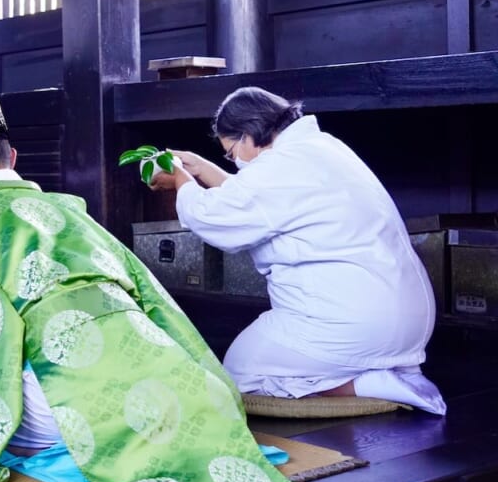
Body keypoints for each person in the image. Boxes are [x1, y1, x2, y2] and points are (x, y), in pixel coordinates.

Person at [0, 81, 350, 482]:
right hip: (168, 387)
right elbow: (155, 302)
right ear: (13, 158)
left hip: (66, 416)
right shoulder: (73, 214)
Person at [148, 86, 446, 415]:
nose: (235, 161)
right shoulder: (322, 148)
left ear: (248, 134)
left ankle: (369, 384)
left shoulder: (281, 166)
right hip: (409, 321)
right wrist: (203, 169)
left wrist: (180, 180)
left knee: (241, 372)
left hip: (355, 324)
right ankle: (379, 370)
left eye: (231, 153)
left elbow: (213, 217)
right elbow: (261, 202)